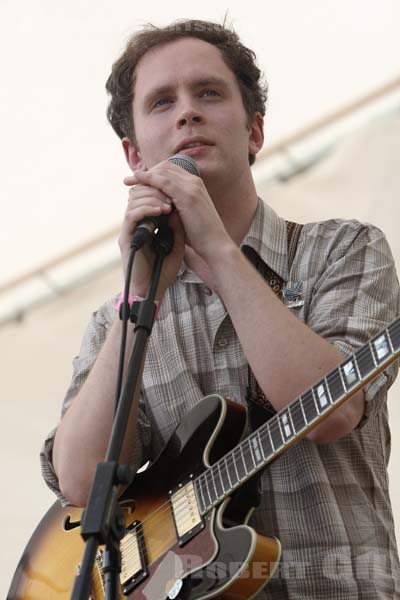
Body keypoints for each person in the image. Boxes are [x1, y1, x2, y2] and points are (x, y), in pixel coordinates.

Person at [41, 18, 400, 598]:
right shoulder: (114, 320)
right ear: (134, 155)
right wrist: (139, 297)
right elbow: (83, 483)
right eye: (162, 102)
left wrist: (216, 247)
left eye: (208, 93)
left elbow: (330, 411)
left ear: (254, 131)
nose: (187, 112)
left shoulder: (344, 249)